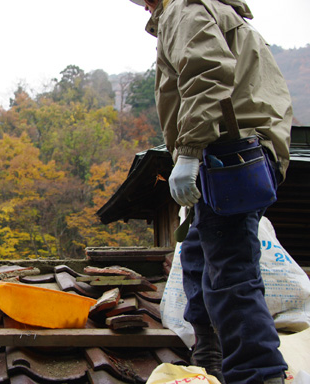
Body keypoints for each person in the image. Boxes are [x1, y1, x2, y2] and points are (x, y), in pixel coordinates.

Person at [127, 0, 292, 383]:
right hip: (232, 151)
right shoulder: (201, 10)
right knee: (199, 255)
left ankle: (258, 373)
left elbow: (207, 72)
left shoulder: (184, 10)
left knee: (230, 272)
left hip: (228, 152)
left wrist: (188, 153)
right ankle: (208, 357)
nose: (143, 6)